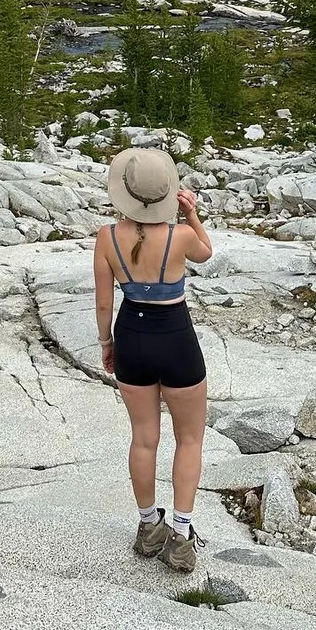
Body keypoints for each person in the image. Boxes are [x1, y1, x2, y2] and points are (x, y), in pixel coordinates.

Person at [94, 145, 214, 574]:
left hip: (132, 337)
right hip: (175, 338)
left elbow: (104, 301)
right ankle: (181, 536)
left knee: (144, 438)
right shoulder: (180, 237)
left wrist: (107, 344)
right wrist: (192, 215)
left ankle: (148, 527)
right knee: (190, 439)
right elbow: (206, 252)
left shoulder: (106, 237)